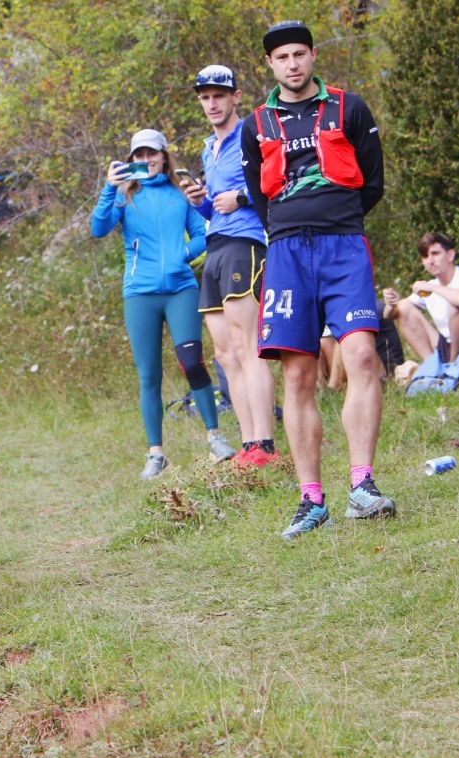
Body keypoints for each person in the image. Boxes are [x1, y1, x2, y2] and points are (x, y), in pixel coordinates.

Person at [241, 20, 392, 540]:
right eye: (282, 57)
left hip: (344, 246)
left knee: (363, 356)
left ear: (312, 56)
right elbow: (260, 199)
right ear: (270, 65)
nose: (292, 64)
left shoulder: (351, 108)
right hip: (285, 254)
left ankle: (363, 486)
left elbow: (371, 181)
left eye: (299, 54)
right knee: (298, 376)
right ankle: (311, 500)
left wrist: (335, 218)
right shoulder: (255, 124)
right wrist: (290, 226)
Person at [91, 129, 238, 479]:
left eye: (151, 154)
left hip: (180, 289)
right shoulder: (124, 197)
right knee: (149, 375)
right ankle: (156, 454)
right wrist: (109, 187)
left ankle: (215, 437)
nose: (145, 160)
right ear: (131, 160)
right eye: (138, 155)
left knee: (192, 362)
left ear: (163, 156)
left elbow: (203, 234)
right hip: (139, 294)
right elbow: (98, 229)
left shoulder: (179, 192)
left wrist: (181, 256)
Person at [184, 65, 279, 468]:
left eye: (218, 96)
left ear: (235, 96)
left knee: (248, 346)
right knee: (224, 352)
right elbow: (214, 208)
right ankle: (247, 443)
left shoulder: (253, 133)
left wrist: (240, 199)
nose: (211, 103)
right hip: (216, 245)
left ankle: (266, 444)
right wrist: (200, 201)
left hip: (247, 243)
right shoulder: (209, 147)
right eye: (204, 97)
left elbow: (276, 184)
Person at [382, 232, 459, 362]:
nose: (430, 261)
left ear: (450, 255)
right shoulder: (430, 286)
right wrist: (391, 303)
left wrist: (432, 288)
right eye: (425, 257)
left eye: (435, 254)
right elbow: (389, 315)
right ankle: (433, 366)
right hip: (450, 346)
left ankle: (454, 368)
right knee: (403, 308)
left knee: (456, 306)